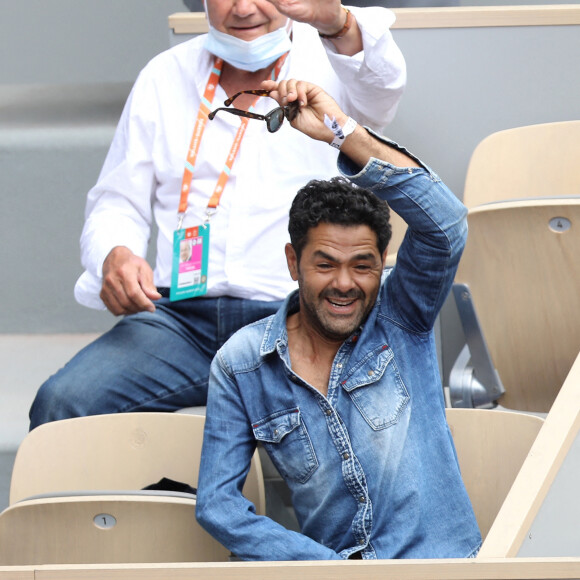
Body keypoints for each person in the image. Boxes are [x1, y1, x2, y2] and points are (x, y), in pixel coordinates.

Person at [28, 0, 406, 429]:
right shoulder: (164, 74)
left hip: (292, 317)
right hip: (179, 320)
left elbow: (384, 87)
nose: (244, 8)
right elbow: (116, 201)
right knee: (62, 404)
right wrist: (115, 253)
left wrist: (338, 23)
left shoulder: (333, 61)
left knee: (334, 424)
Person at [195, 78, 482, 560]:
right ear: (293, 262)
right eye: (325, 264)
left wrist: (339, 131)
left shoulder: (401, 317)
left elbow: (447, 224)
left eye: (363, 266)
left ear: (382, 261)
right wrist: (327, 569)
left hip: (442, 569)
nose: (345, 283)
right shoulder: (242, 363)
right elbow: (219, 506)